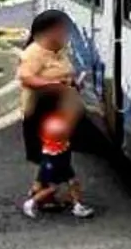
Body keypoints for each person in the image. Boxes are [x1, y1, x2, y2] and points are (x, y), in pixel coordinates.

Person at [18, 10, 84, 165]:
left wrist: (73, 83)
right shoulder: (34, 53)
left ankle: (47, 185)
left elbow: (64, 73)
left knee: (58, 155)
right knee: (49, 157)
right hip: (39, 111)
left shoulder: (59, 49)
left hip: (60, 111)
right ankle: (53, 186)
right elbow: (26, 78)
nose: (66, 34)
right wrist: (54, 85)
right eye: (62, 30)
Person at [22, 89, 95, 219]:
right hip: (55, 159)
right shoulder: (55, 124)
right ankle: (31, 203)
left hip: (60, 157)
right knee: (53, 187)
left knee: (73, 182)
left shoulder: (51, 119)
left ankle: (77, 206)